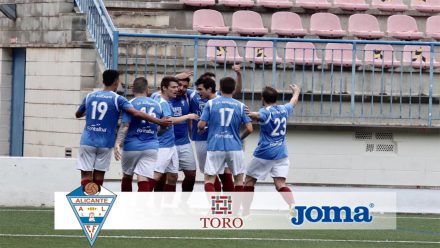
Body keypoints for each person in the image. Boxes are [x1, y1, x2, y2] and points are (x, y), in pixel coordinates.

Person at [75, 70, 171, 191]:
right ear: (116, 82)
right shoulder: (118, 99)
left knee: (86, 175)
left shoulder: (90, 96)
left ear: (103, 81)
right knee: (99, 176)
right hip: (106, 143)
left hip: (88, 141)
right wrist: (159, 121)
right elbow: (135, 113)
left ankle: (89, 204)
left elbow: (78, 114)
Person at [242, 84, 300, 214]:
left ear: (262, 98)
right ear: (276, 98)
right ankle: (292, 205)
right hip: (281, 154)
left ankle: (245, 212)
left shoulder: (265, 112)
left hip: (265, 153)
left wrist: (243, 111)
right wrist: (296, 92)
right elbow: (293, 102)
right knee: (280, 185)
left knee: (249, 181)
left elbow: (256, 115)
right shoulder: (284, 109)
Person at [189, 65, 242, 191]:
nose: (199, 91)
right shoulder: (194, 94)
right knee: (211, 174)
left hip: (217, 140)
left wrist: (239, 75)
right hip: (201, 139)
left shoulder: (220, 98)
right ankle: (221, 206)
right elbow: (170, 88)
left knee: (221, 174)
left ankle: (221, 206)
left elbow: (237, 91)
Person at [198, 77, 253, 192]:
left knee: (209, 179)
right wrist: (239, 137)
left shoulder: (211, 103)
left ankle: (216, 208)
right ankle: (235, 209)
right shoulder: (241, 105)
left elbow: (201, 125)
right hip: (235, 147)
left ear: (220, 88)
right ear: (233, 90)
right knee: (238, 179)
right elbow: (249, 128)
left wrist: (201, 129)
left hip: (215, 146)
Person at [114, 77, 163, 192]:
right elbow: (162, 127)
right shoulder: (157, 105)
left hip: (132, 146)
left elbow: (125, 125)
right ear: (147, 89)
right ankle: (141, 208)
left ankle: (126, 206)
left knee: (127, 176)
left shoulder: (130, 104)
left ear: (132, 89)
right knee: (143, 178)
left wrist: (118, 143)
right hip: (151, 147)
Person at [152, 76, 199, 192]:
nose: (179, 89)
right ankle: (151, 202)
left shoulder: (188, 97)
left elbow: (207, 92)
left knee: (186, 175)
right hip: (163, 144)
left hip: (180, 143)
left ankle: (179, 204)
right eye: (176, 86)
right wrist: (188, 116)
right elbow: (169, 120)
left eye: (184, 87)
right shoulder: (159, 98)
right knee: (160, 176)